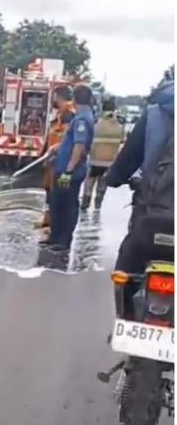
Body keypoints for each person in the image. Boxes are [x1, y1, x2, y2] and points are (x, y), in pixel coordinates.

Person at [106, 80, 174, 319]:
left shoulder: (154, 115)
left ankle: (127, 321)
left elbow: (127, 159)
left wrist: (113, 178)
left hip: (150, 218)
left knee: (127, 270)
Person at [42, 84, 95, 250]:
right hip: (65, 168)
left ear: (75, 98)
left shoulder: (81, 120)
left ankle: (62, 240)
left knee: (66, 204)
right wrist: (57, 148)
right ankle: (55, 236)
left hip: (69, 172)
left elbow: (79, 146)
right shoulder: (82, 116)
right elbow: (71, 141)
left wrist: (69, 169)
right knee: (58, 202)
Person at [38, 85, 76, 231]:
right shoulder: (61, 114)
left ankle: (57, 228)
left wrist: (55, 151)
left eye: (54, 96)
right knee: (50, 192)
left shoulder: (68, 115)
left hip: (62, 165)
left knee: (59, 195)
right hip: (53, 163)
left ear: (58, 96)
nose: (52, 99)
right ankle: (48, 221)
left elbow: (68, 140)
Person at [81, 97, 123, 210]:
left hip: (94, 160)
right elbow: (123, 142)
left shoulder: (95, 124)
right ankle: (98, 204)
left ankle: (86, 201)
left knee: (89, 181)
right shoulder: (120, 126)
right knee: (102, 184)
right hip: (110, 162)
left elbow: (86, 141)